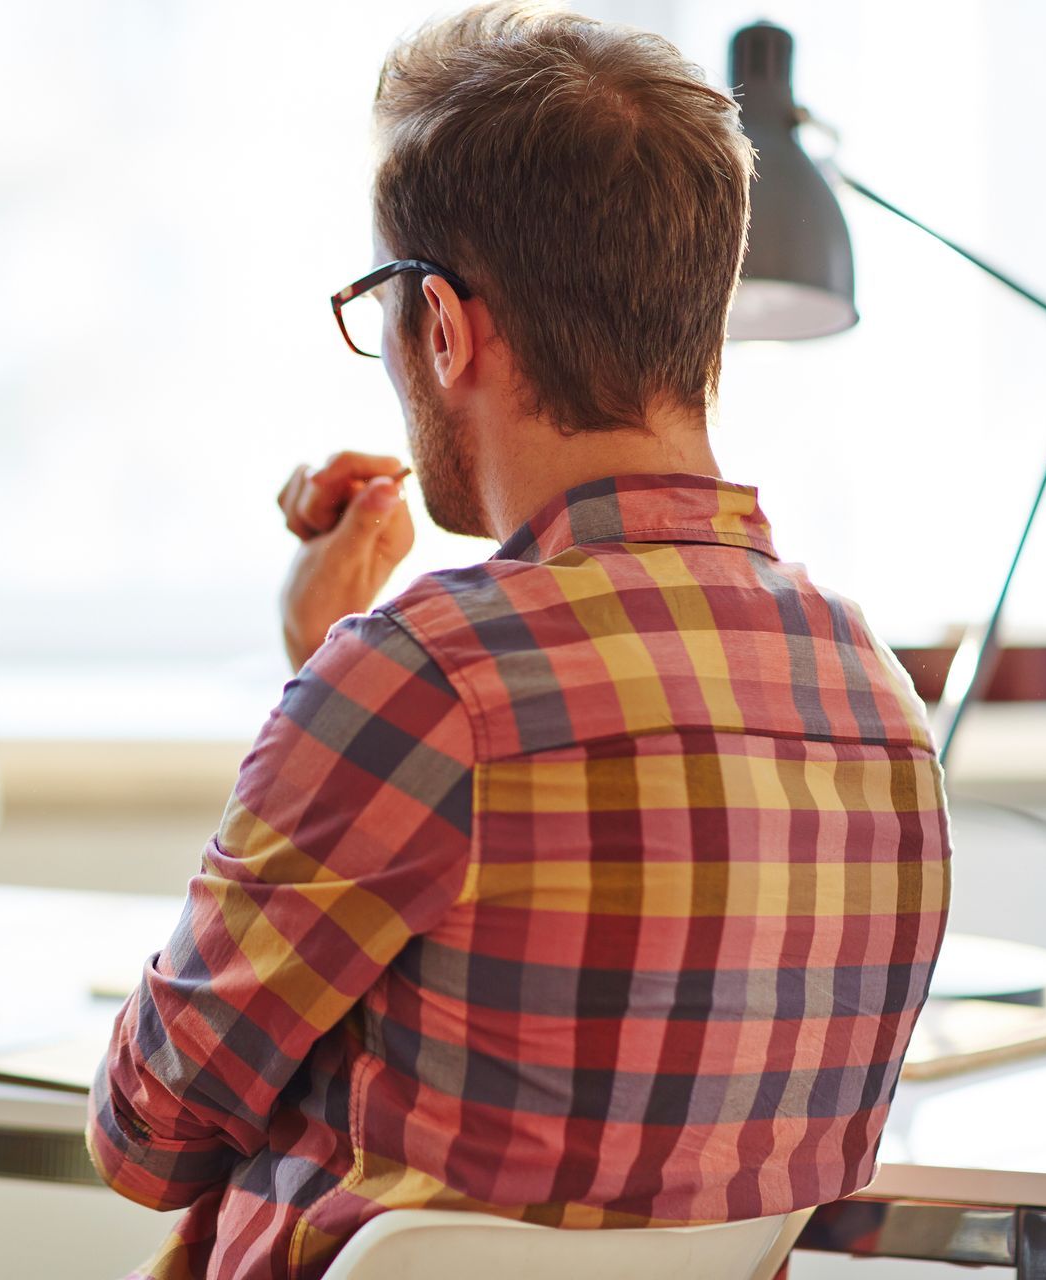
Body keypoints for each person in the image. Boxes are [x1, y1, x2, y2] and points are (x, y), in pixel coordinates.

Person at [85, 5, 951, 1278]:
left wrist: (332, 679)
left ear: (444, 324)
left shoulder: (417, 681)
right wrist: (340, 680)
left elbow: (145, 1132)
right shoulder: (875, 704)